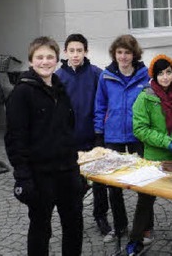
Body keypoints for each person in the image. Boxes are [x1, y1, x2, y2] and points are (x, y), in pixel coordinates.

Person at [5, 36, 84, 255]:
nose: (45, 61)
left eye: (50, 57)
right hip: (40, 175)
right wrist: (23, 177)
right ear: (31, 61)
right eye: (39, 57)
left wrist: (76, 170)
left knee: (74, 225)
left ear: (58, 60)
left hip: (67, 172)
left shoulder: (60, 88)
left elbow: (68, 129)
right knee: (41, 229)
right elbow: (15, 138)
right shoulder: (22, 93)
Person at [125, 54, 172, 255]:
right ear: (154, 75)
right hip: (155, 156)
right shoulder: (145, 97)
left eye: (168, 72)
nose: (165, 77)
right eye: (161, 73)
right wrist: (166, 141)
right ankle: (136, 238)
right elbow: (140, 129)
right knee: (146, 199)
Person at [94, 34, 151, 243]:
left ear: (134, 54)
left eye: (127, 52)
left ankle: (144, 227)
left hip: (138, 135)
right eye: (119, 52)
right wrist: (99, 133)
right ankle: (120, 226)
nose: (123, 56)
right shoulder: (106, 76)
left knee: (145, 181)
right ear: (114, 54)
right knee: (114, 184)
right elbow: (100, 106)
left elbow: (152, 105)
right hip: (113, 135)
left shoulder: (145, 75)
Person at [55, 33, 111, 237]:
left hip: (93, 137)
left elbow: (104, 105)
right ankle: (74, 216)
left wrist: (100, 133)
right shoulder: (58, 77)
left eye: (80, 50)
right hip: (70, 141)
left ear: (86, 52)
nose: (76, 54)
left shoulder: (97, 74)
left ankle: (100, 215)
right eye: (72, 50)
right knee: (73, 183)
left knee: (99, 182)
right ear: (65, 52)